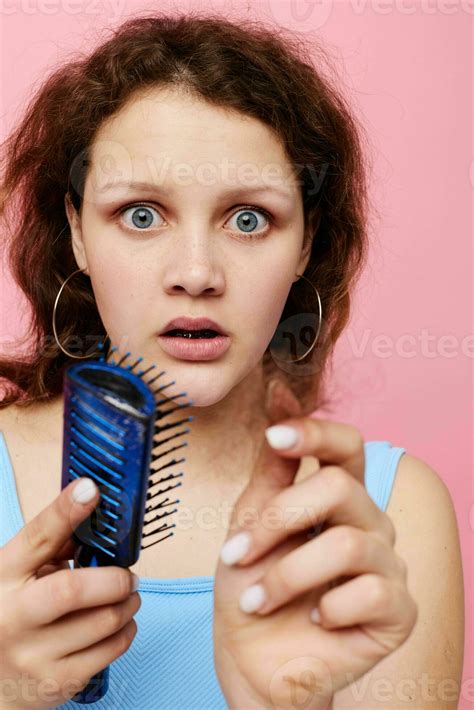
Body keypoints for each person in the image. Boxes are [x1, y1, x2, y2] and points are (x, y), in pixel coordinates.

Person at [0, 12, 464, 710]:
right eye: (141, 214)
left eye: (249, 218)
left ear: (306, 244)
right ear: (78, 233)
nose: (196, 273)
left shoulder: (390, 516)